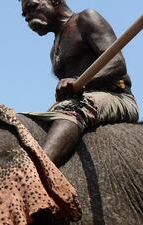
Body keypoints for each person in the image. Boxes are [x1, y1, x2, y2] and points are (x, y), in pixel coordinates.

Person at [19, 0, 139, 166]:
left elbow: (118, 64)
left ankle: (38, 172)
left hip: (116, 96)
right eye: (25, 15)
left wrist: (80, 82)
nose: (28, 18)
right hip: (79, 100)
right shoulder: (54, 48)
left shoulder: (86, 18)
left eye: (32, 8)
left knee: (72, 108)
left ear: (54, 1)